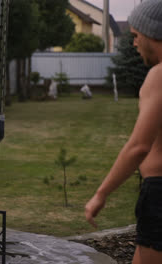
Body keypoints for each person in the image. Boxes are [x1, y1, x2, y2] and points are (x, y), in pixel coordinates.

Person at [84, 1, 162, 263]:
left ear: (154, 34)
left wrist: (101, 194)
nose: (134, 44)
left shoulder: (159, 76)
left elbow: (138, 146)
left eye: (137, 36)